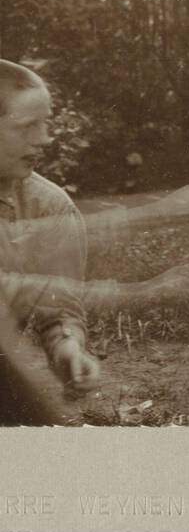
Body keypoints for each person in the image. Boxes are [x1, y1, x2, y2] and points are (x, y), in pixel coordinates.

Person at [0, 60, 100, 392]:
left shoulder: (50, 207)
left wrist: (67, 347)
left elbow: (59, 307)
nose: (44, 139)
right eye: (28, 126)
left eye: (45, 124)